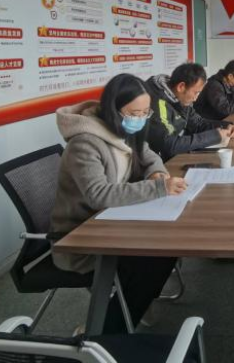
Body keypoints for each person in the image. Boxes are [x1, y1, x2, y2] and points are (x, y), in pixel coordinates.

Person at [50, 73, 187, 334]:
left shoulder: (126, 132)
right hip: (82, 237)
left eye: (146, 113)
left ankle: (130, 307)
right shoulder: (85, 143)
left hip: (115, 221)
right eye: (135, 113)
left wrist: (157, 173)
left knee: (167, 250)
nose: (141, 119)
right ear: (114, 111)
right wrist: (159, 187)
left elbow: (150, 157)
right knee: (153, 259)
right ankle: (103, 333)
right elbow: (99, 194)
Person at [146, 62, 234, 160]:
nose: (195, 99)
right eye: (196, 92)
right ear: (181, 87)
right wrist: (214, 136)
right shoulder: (154, 103)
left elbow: (198, 123)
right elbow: (170, 145)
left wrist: (226, 126)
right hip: (161, 162)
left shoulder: (178, 97)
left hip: (177, 155)